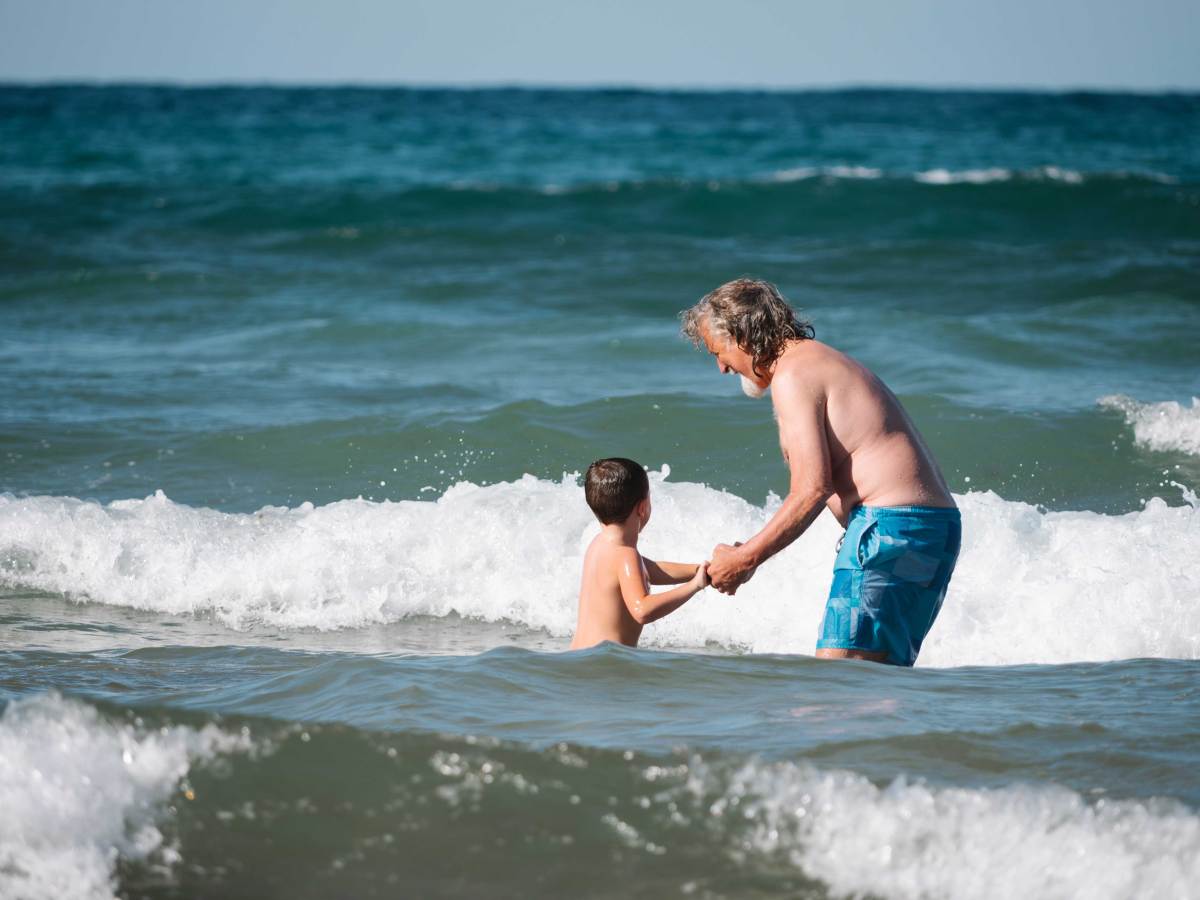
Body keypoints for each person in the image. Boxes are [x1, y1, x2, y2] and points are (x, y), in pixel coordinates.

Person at [680, 278, 961, 667]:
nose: (722, 368)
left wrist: (746, 559)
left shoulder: (794, 375)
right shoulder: (819, 361)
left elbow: (812, 489)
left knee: (837, 683)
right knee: (879, 684)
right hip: (931, 530)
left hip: (888, 531)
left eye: (719, 352)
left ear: (743, 335)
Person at [570, 457, 709, 649]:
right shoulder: (625, 555)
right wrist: (695, 585)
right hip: (605, 671)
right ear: (642, 508)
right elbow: (642, 610)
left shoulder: (600, 544)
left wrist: (701, 570)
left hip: (582, 659)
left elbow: (648, 570)